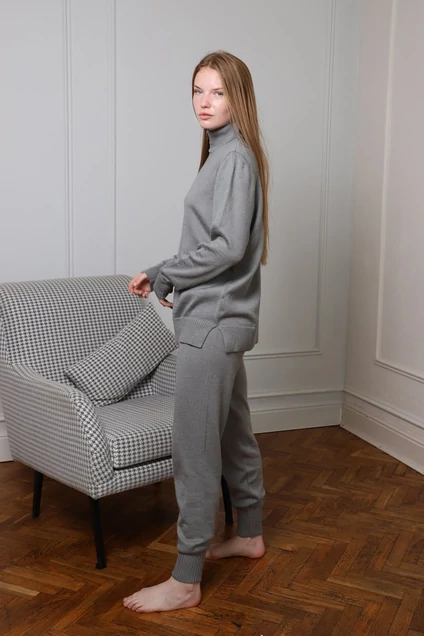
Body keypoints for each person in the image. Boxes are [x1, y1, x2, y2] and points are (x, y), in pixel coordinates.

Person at [123, 50, 269, 614]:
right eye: (197, 91)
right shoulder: (228, 154)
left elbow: (227, 247)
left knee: (194, 452)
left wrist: (168, 273)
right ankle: (249, 533)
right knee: (233, 434)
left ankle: (185, 580)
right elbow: (219, 243)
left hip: (211, 324)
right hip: (224, 321)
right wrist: (166, 270)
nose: (203, 103)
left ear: (239, 98)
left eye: (217, 92)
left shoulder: (233, 159)